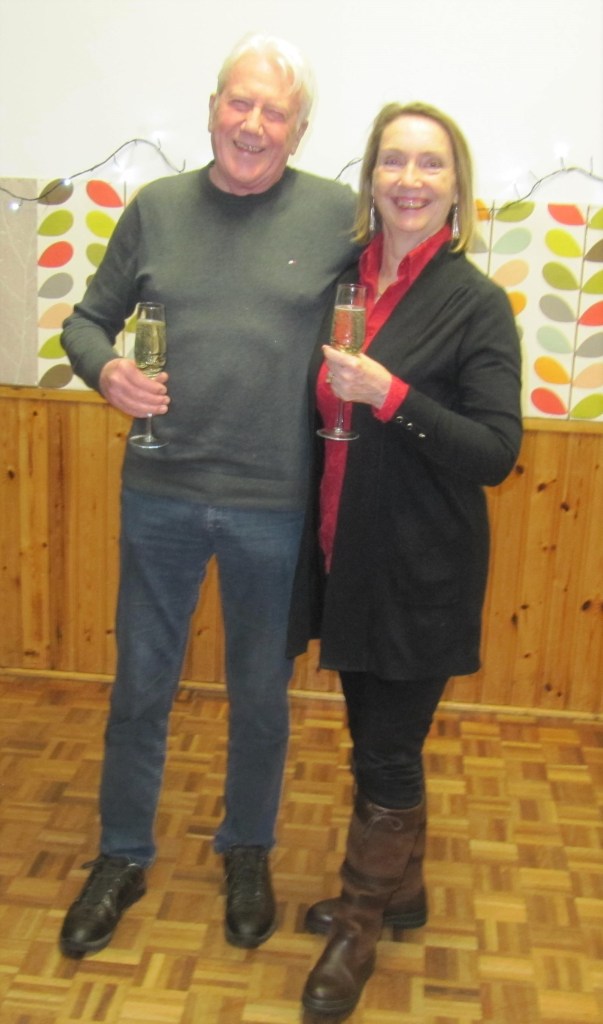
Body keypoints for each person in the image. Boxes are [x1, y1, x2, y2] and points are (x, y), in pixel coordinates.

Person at [59, 32, 358, 959]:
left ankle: (246, 849)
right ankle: (120, 854)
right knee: (140, 687)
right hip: (160, 493)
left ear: (299, 129)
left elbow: (394, 303)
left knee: (260, 695)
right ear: (213, 108)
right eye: (240, 102)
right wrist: (105, 370)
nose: (252, 124)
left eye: (275, 111)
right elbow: (85, 322)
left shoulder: (337, 216)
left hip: (276, 501)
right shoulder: (155, 209)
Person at [287, 101, 523, 1016]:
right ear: (371, 178)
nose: (409, 180)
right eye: (393, 161)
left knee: (385, 752)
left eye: (429, 164)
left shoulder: (474, 303)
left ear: (456, 186)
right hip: (343, 553)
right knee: (376, 738)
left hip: (422, 566)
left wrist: (391, 394)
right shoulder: (345, 282)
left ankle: (358, 924)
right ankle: (405, 890)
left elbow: (494, 452)